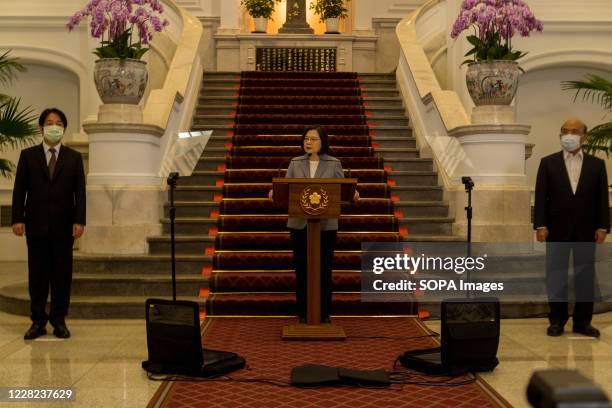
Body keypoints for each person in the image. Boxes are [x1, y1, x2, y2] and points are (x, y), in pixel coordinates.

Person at [269, 126, 359, 323]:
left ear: (323, 142)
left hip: (325, 226)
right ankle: (303, 313)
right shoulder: (294, 163)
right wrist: (274, 193)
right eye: (306, 139)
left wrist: (353, 194)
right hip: (299, 225)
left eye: (313, 139)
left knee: (324, 269)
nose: (308, 142)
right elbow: (285, 190)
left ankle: (324, 313)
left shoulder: (334, 164)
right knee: (302, 269)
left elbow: (344, 191)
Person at [11, 108, 86, 340]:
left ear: (64, 128)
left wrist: (79, 220)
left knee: (62, 275)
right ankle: (37, 321)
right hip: (36, 225)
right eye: (50, 122)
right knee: (38, 275)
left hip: (64, 227)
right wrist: (17, 218)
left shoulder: (73, 157)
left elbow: (80, 193)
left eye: (59, 123)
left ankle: (59, 320)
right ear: (41, 127)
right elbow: (19, 191)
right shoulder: (28, 156)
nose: (55, 126)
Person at [534, 117, 609, 338]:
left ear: (584, 136)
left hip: (587, 230)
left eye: (574, 131)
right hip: (555, 229)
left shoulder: (597, 164)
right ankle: (557, 320)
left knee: (585, 275)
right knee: (556, 275)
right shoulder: (548, 163)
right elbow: (541, 197)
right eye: (564, 131)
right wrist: (540, 225)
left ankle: (583, 322)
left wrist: (603, 226)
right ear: (560, 136)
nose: (568, 135)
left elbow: (602, 199)